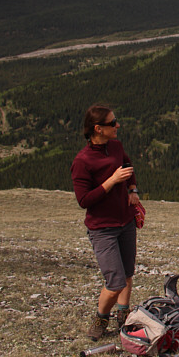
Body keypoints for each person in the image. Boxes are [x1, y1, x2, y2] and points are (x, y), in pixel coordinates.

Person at [71, 104, 142, 341]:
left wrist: (132, 188)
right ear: (98, 129)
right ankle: (101, 317)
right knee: (115, 281)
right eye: (113, 123)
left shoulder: (116, 146)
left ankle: (124, 314)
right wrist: (111, 181)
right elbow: (84, 200)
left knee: (128, 272)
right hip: (103, 229)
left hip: (126, 221)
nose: (118, 126)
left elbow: (128, 165)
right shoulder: (82, 161)